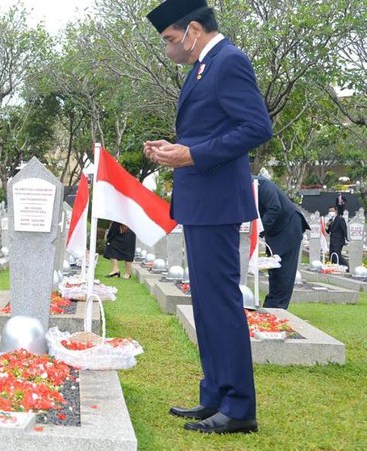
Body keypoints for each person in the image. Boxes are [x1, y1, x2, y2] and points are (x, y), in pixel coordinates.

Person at [144, 0, 272, 434]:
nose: (168, 48)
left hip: (216, 204)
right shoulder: (204, 67)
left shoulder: (229, 61)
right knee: (206, 304)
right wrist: (173, 149)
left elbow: (256, 127)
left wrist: (193, 154)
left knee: (221, 304)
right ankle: (215, 395)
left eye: (169, 39)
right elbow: (209, 131)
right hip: (202, 202)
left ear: (193, 29)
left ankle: (238, 408)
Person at [254, 176, 310, 309]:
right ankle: (272, 304)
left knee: (284, 269)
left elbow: (274, 208)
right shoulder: (244, 188)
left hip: (289, 226)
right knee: (275, 269)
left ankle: (277, 307)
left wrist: (257, 232)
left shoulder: (262, 184)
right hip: (274, 231)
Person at [327, 195, 349, 267]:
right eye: (329, 211)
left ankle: (348, 266)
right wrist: (327, 226)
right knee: (332, 256)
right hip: (332, 241)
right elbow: (328, 231)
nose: (331, 212)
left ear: (336, 211)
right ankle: (334, 266)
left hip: (339, 241)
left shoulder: (340, 219)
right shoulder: (331, 220)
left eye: (332, 211)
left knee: (337, 255)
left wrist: (346, 239)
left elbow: (344, 229)